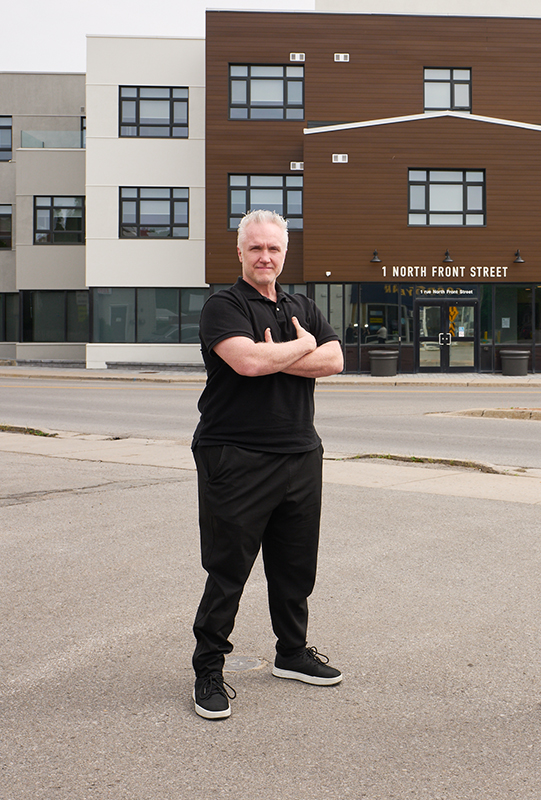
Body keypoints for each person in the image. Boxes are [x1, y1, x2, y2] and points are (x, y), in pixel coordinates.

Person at [190, 209, 345, 720]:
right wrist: (303, 347)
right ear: (240, 252)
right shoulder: (223, 305)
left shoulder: (301, 303)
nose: (265, 256)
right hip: (234, 456)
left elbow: (337, 360)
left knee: (295, 566)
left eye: (274, 249)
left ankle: (292, 653)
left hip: (300, 453)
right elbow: (248, 362)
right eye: (255, 247)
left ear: (285, 253)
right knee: (228, 569)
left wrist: (286, 352)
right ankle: (209, 670)